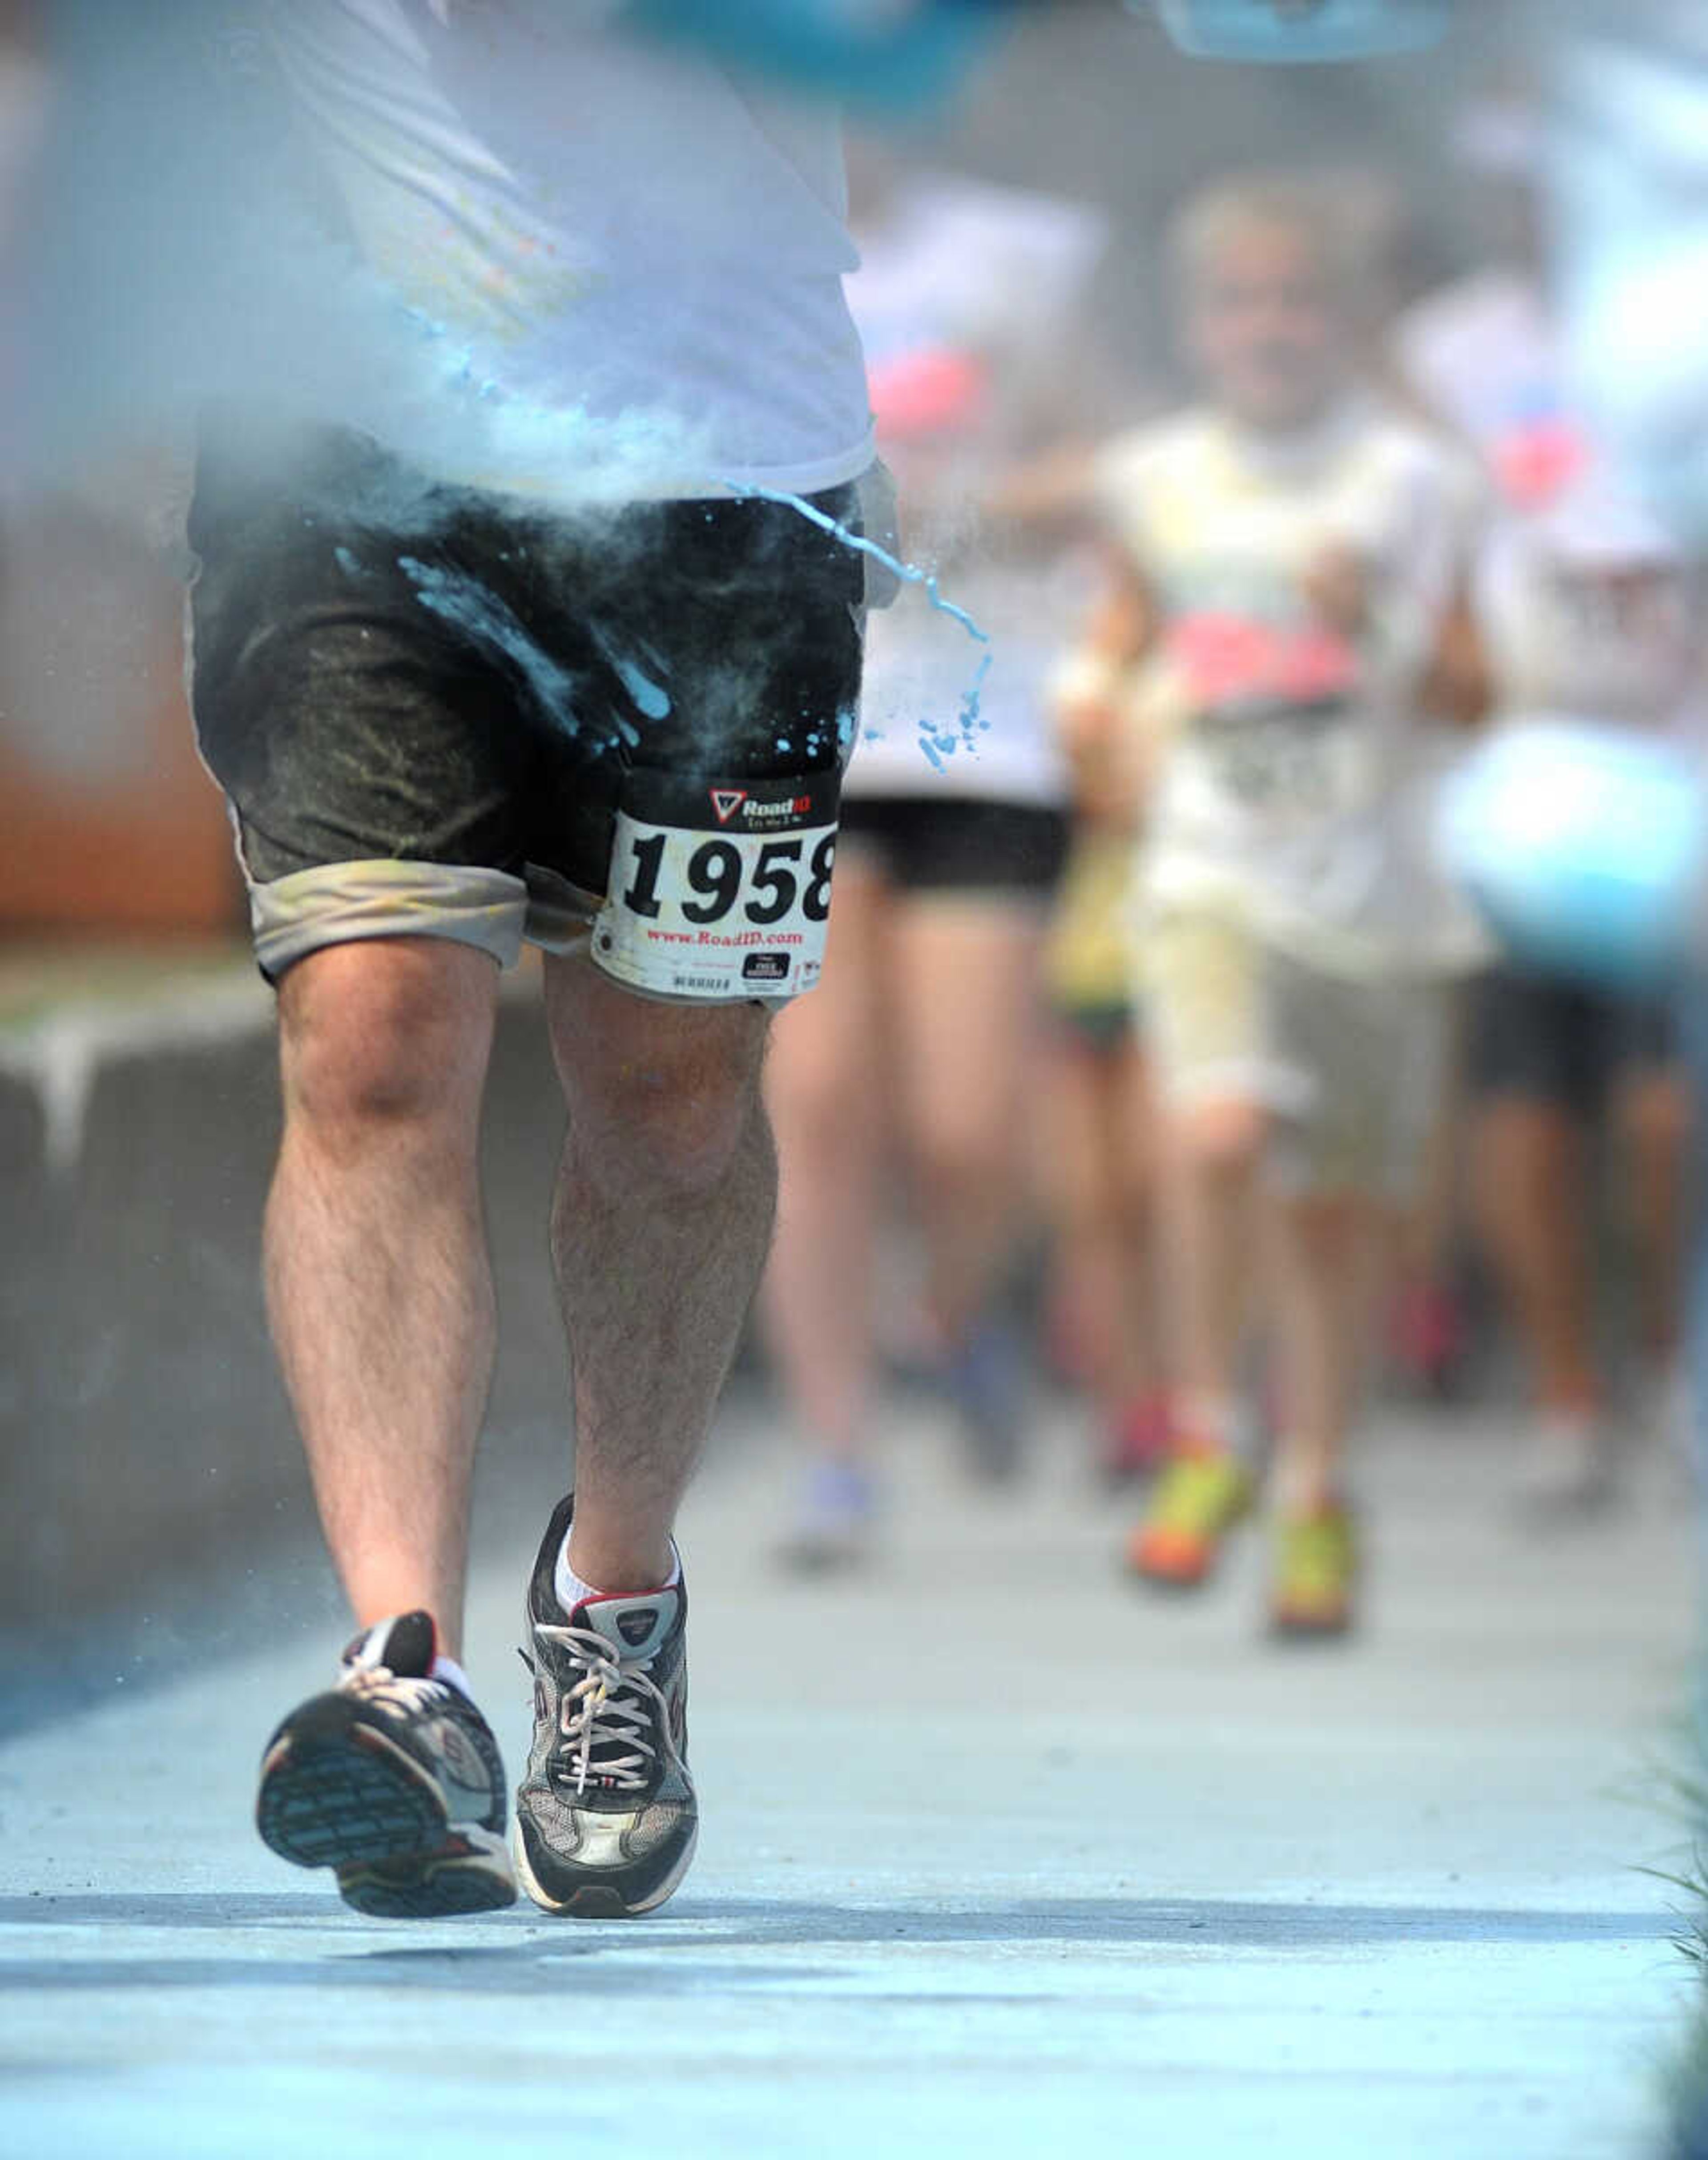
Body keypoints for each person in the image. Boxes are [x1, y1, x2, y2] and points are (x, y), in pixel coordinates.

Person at [179, 2, 877, 1920]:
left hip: (726, 473)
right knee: (374, 1028)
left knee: (669, 1098)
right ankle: (403, 1670)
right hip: (334, 459)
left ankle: (617, 1602)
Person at [1066, 176, 1487, 1635]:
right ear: (1197, 327)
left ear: (1353, 320)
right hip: (1210, 873)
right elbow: (1119, 646)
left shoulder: (1416, 481)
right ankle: (1207, 1433)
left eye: (1301, 299)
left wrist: (1370, 620)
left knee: (1334, 1216)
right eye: (1242, 301)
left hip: (1376, 886)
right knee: (1221, 1125)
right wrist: (1093, 719)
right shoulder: (1154, 477)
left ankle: (1316, 1489)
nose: (1273, 327)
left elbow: (1478, 696)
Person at [760, 157, 1104, 1561]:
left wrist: (977, 507)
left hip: (984, 724)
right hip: (796, 721)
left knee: (972, 1129)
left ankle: (952, 1318)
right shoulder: (729, 216)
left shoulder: (1018, 247)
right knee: (817, 1106)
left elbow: (1122, 449)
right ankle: (840, 1449)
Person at [1398, 105, 1700, 1507]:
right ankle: (1571, 1397)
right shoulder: (1452, 354)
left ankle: (1662, 1359)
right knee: (1524, 1111)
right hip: (1527, 779)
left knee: (1661, 1115)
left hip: (1679, 771)